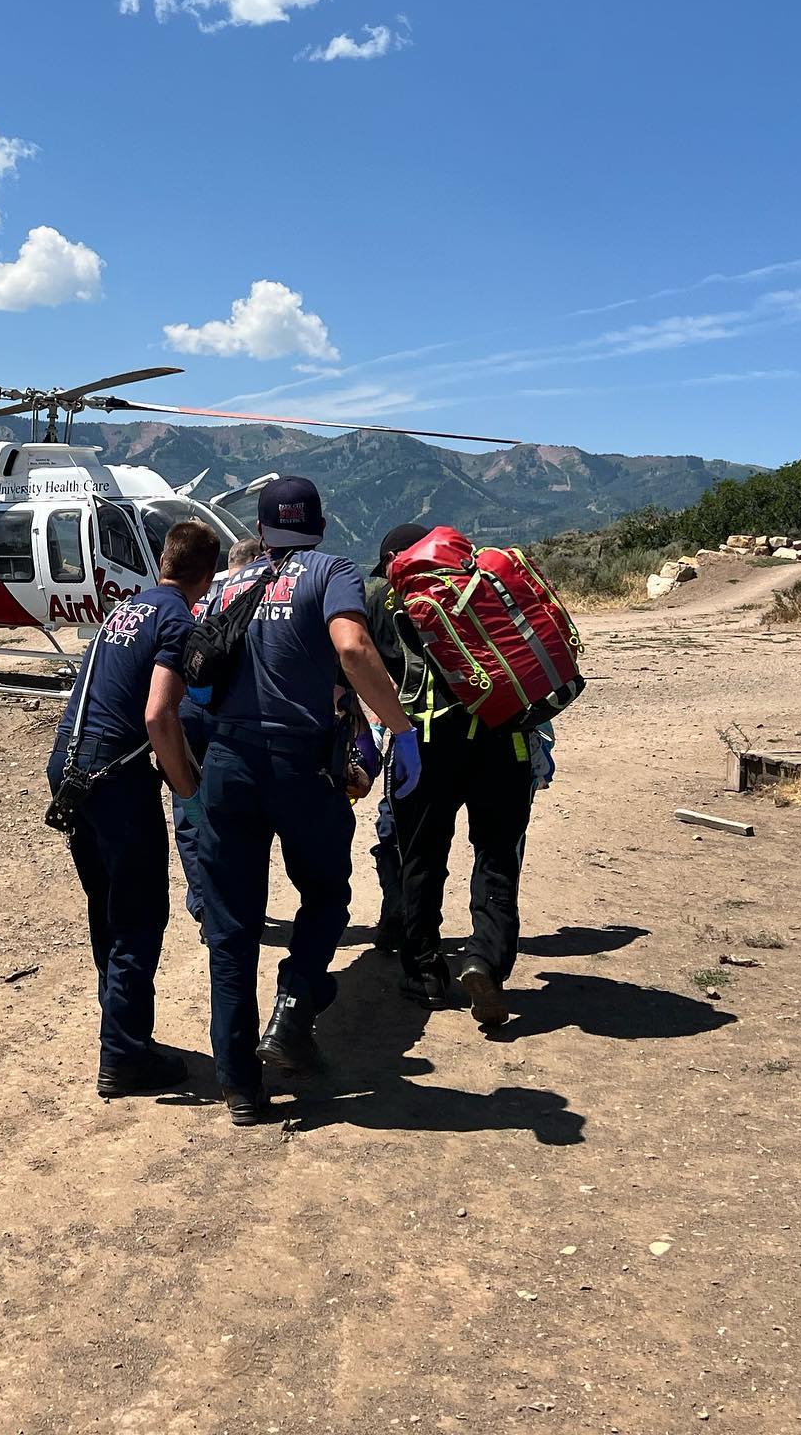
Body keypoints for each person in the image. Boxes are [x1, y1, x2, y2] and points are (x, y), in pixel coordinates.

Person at [193, 478, 419, 1127]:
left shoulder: (226, 585)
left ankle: (240, 1086)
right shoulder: (332, 570)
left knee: (231, 929)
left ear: (261, 531)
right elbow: (351, 647)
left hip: (228, 765)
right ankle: (292, 1009)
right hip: (299, 764)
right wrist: (399, 733)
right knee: (324, 895)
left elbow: (200, 675)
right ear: (318, 524)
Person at [46, 520, 221, 1097]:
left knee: (109, 904)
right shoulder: (178, 619)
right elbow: (157, 716)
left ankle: (121, 1032)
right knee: (141, 913)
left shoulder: (126, 610)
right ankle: (124, 1056)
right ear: (207, 574)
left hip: (70, 765)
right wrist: (189, 791)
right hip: (115, 775)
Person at [383, 544, 543, 1028]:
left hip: (431, 745)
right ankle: (485, 960)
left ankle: (425, 970)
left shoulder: (401, 604)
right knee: (497, 855)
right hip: (505, 740)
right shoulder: (491, 592)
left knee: (422, 857)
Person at [172, 535, 264, 925]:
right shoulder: (260, 597)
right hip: (230, 714)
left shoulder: (202, 598)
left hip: (186, 709)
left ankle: (204, 901)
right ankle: (232, 896)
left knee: (189, 805)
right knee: (234, 807)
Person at [361, 523, 430, 961]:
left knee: (398, 826)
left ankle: (400, 915)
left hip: (409, 731)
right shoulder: (466, 593)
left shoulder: (380, 602)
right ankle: (488, 946)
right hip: (478, 734)